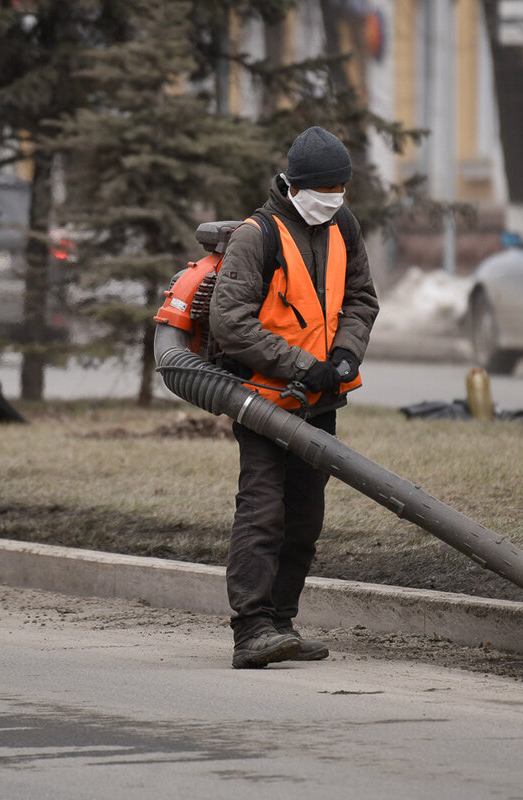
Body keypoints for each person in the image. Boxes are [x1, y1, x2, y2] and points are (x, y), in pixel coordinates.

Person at [209, 126, 379, 669]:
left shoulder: (342, 225)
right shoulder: (256, 236)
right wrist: (305, 366)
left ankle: (281, 622)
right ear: (293, 185)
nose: (332, 202)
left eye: (340, 192)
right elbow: (230, 324)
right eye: (323, 192)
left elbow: (360, 297)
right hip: (262, 401)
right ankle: (251, 628)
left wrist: (346, 356)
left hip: (319, 403)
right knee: (263, 510)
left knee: (305, 515)